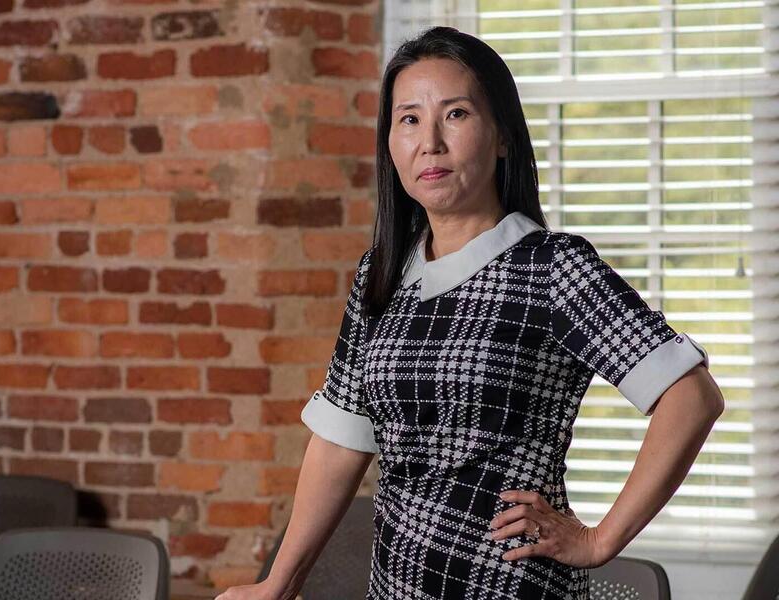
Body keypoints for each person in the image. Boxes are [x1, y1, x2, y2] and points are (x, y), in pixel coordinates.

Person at [215, 26, 725, 600]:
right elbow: (341, 439)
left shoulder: (550, 268)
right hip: (395, 586)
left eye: (455, 114)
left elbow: (692, 397)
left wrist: (599, 541)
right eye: (408, 119)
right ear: (389, 144)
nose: (429, 141)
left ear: (502, 136)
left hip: (511, 585)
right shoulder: (380, 275)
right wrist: (278, 585)